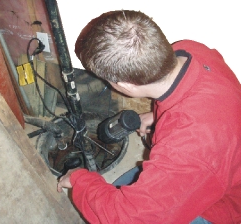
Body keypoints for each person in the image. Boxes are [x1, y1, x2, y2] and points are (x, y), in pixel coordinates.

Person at [57, 10, 241, 224]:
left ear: (124, 85)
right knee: (118, 188)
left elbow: (127, 219)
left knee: (111, 204)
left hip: (222, 206)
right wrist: (156, 116)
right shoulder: (192, 51)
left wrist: (79, 179)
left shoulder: (188, 151)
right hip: (222, 157)